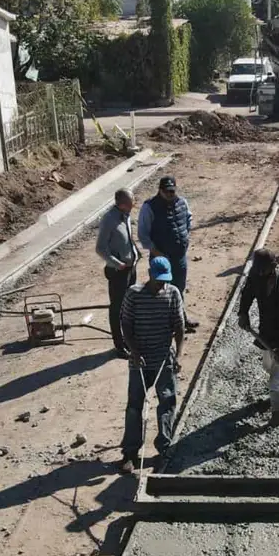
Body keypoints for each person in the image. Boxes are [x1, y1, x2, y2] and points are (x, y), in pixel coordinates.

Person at [118, 256, 186, 474]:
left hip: (163, 359)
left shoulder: (172, 293)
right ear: (149, 275)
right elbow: (125, 325)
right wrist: (134, 352)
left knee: (167, 402)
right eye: (158, 280)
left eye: (165, 280)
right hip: (139, 361)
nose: (161, 285)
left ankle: (164, 449)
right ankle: (130, 453)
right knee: (134, 406)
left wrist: (179, 356)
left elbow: (179, 326)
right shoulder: (134, 294)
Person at [238, 249, 279, 424]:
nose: (260, 272)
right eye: (258, 269)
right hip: (266, 332)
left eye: (263, 269)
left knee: (276, 380)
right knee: (267, 366)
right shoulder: (256, 276)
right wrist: (243, 313)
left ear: (273, 267)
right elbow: (247, 293)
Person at [139, 176, 199, 333]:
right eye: (167, 192)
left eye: (172, 191)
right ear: (160, 190)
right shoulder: (149, 207)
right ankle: (164, 324)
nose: (170, 194)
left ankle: (181, 319)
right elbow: (143, 235)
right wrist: (157, 253)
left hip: (179, 256)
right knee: (161, 291)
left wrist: (184, 237)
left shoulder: (182, 202)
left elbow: (188, 218)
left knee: (179, 288)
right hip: (160, 259)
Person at [96, 188, 141, 359]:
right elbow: (100, 248)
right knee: (117, 309)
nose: (134, 204)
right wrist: (117, 263)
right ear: (121, 204)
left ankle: (130, 339)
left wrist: (135, 254)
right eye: (131, 202)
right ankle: (119, 345)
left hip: (131, 268)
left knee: (130, 305)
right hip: (118, 272)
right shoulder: (109, 220)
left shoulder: (126, 216)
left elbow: (127, 239)